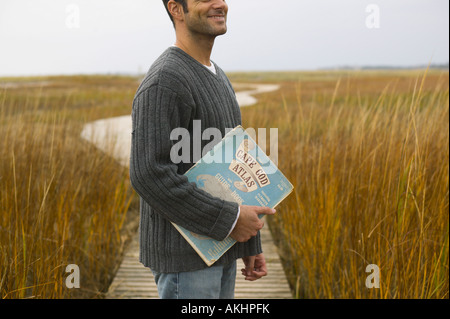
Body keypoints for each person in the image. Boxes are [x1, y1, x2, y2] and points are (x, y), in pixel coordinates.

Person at [129, 0, 276, 299]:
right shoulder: (165, 80)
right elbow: (148, 174)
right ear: (176, 9)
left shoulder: (217, 75)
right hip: (186, 262)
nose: (220, 3)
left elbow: (231, 163)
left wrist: (248, 243)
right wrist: (232, 220)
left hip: (220, 248)